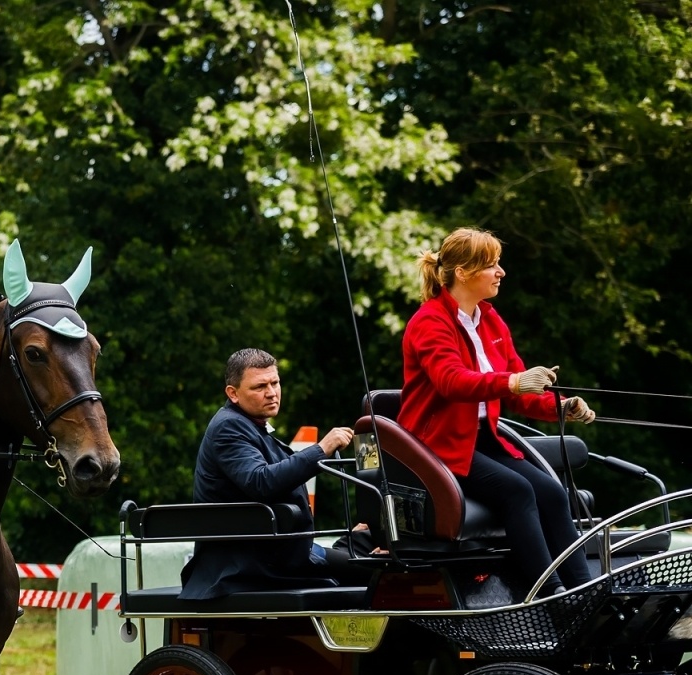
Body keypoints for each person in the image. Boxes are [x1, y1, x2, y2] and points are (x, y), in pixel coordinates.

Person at [401, 227, 596, 595]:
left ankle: (587, 591)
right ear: (463, 273)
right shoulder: (429, 321)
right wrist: (514, 381)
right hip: (436, 446)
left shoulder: (491, 320)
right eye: (491, 265)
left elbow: (521, 393)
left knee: (553, 493)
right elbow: (452, 381)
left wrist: (561, 407)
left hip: (480, 440)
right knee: (517, 490)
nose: (500, 272)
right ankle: (551, 593)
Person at [180, 349, 354, 600]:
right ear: (233, 393)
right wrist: (321, 449)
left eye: (275, 383)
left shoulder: (251, 426)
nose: (271, 393)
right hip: (248, 565)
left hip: (276, 552)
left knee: (364, 546)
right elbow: (261, 482)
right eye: (260, 386)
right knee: (376, 572)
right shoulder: (229, 426)